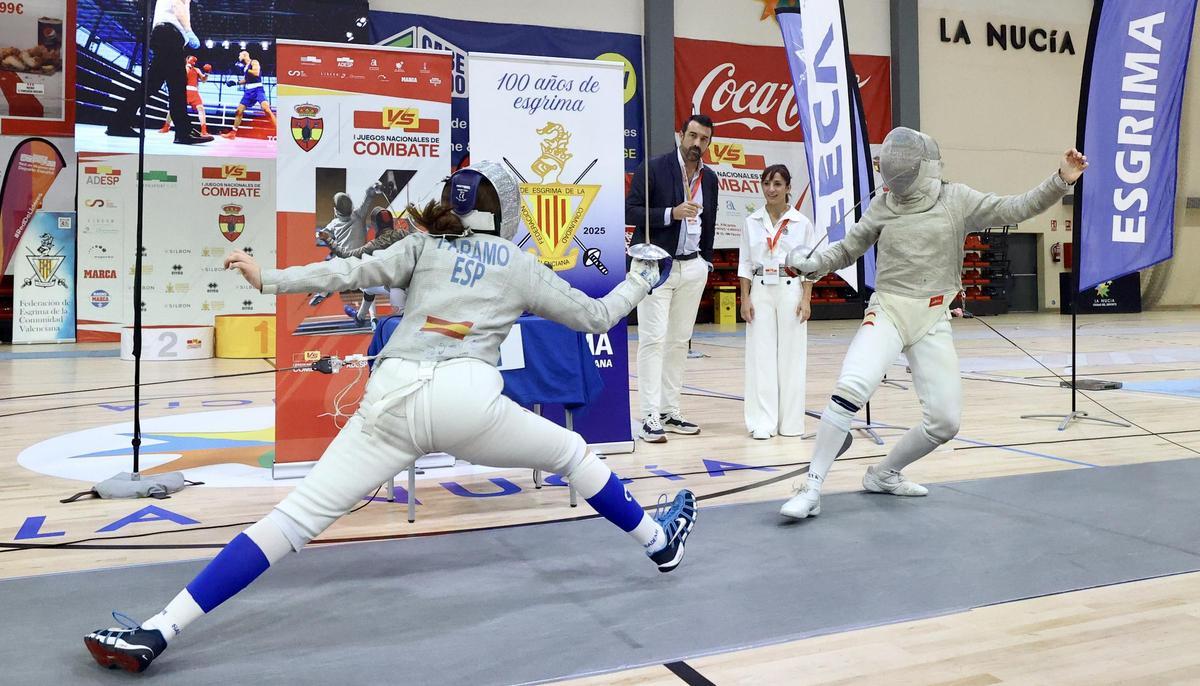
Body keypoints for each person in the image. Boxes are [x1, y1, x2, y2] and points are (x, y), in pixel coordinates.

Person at [84, 161, 698, 674]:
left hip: (392, 396)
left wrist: (267, 277)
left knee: (291, 520)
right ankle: (656, 541)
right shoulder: (516, 263)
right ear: (499, 211)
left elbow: (347, 272)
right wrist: (644, 276)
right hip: (467, 402)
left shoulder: (422, 244)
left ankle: (160, 629)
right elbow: (595, 317)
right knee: (572, 454)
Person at [778, 127, 1088, 519]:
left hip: (933, 316)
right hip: (889, 309)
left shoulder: (956, 199)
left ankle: (884, 473)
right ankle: (811, 486)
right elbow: (847, 248)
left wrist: (1061, 179)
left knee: (944, 422)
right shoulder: (883, 204)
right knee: (851, 386)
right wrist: (813, 264)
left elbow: (1016, 208)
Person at [625, 113, 719, 443]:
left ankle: (669, 410)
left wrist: (705, 261)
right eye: (692, 136)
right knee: (653, 340)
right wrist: (671, 213)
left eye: (703, 139)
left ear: (709, 143)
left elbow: (710, 223)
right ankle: (649, 414)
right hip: (656, 265)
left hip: (692, 267)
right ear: (680, 134)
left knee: (679, 342)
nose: (697, 143)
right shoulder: (653, 168)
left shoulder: (710, 179)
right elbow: (631, 211)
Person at [738, 164, 815, 440]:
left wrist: (806, 299)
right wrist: (745, 298)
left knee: (792, 357)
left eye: (778, 184)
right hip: (760, 288)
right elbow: (745, 263)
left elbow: (809, 266)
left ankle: (791, 423)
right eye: (767, 183)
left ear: (788, 188)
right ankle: (763, 421)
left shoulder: (801, 223)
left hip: (790, 287)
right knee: (761, 357)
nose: (771, 189)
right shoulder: (752, 221)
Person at [105, 0, 212, 145]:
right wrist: (188, 31)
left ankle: (119, 123)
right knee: (178, 85)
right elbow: (177, 6)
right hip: (170, 36)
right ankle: (183, 132)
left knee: (152, 85)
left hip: (165, 35)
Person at [318, 206, 411, 325]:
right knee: (369, 288)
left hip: (397, 290)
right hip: (414, 284)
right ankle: (361, 317)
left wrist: (328, 240)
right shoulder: (405, 234)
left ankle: (361, 318)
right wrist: (410, 223)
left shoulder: (374, 245)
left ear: (375, 225)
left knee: (368, 287)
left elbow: (346, 255)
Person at [309, 182, 386, 306]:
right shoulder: (359, 214)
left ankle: (323, 293)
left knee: (332, 271)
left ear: (336, 211)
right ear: (351, 208)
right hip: (362, 259)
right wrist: (374, 187)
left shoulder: (334, 223)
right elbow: (368, 196)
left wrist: (319, 235)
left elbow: (322, 235)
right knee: (366, 287)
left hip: (344, 261)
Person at [220, 50, 278, 139]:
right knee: (239, 111)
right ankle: (233, 133)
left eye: (240, 55)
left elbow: (256, 73)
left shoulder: (254, 62)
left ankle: (279, 131)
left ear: (244, 55)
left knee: (266, 109)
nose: (239, 57)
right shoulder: (245, 67)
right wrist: (235, 83)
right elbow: (247, 80)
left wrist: (247, 70)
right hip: (249, 91)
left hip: (258, 89)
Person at [159, 55, 211, 137]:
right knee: (174, 108)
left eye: (194, 61)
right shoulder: (183, 68)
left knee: (201, 109)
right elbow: (182, 77)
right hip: (184, 90)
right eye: (192, 60)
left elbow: (203, 80)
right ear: (187, 60)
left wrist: (207, 73)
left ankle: (204, 130)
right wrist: (187, 66)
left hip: (194, 92)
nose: (194, 62)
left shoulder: (197, 70)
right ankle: (166, 126)